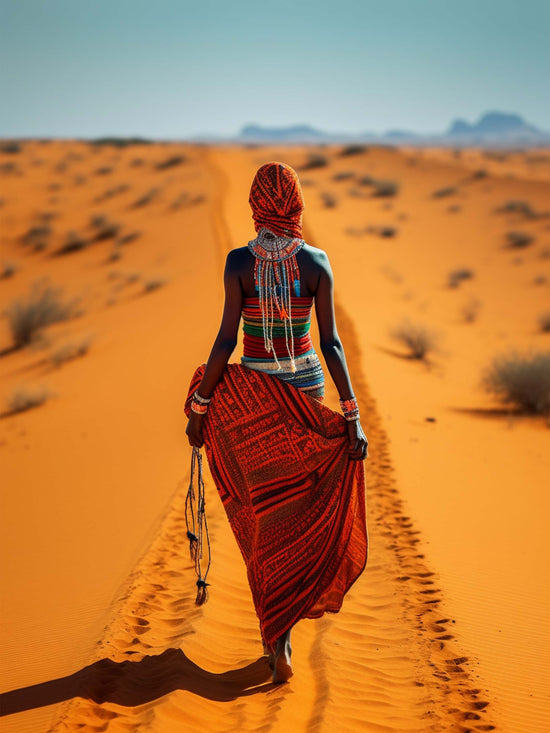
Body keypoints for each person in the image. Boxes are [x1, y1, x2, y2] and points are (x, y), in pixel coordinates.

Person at [185, 161, 368, 684]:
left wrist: (201, 404)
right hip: (307, 394)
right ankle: (285, 624)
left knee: (267, 516)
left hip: (256, 402)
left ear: (257, 206)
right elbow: (330, 343)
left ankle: (276, 637)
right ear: (297, 205)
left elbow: (226, 342)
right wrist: (350, 415)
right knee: (301, 511)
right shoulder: (316, 263)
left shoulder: (238, 263)